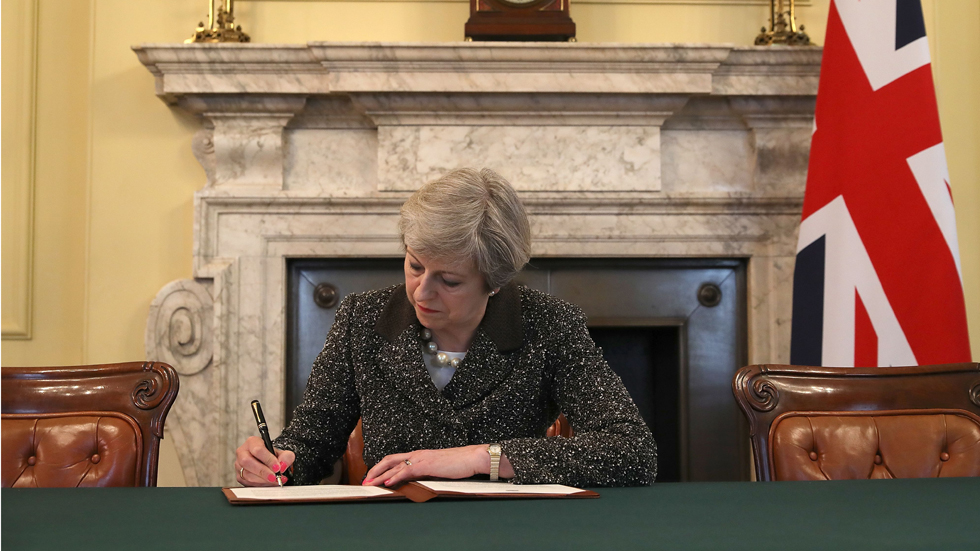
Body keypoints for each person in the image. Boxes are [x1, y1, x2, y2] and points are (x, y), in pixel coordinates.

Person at [235, 168, 657, 488]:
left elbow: (632, 451)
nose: (421, 292)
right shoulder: (362, 319)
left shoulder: (548, 324)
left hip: (510, 532)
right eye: (415, 265)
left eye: (449, 281)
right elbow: (310, 443)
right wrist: (276, 464)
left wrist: (481, 458)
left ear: (494, 282)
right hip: (390, 531)